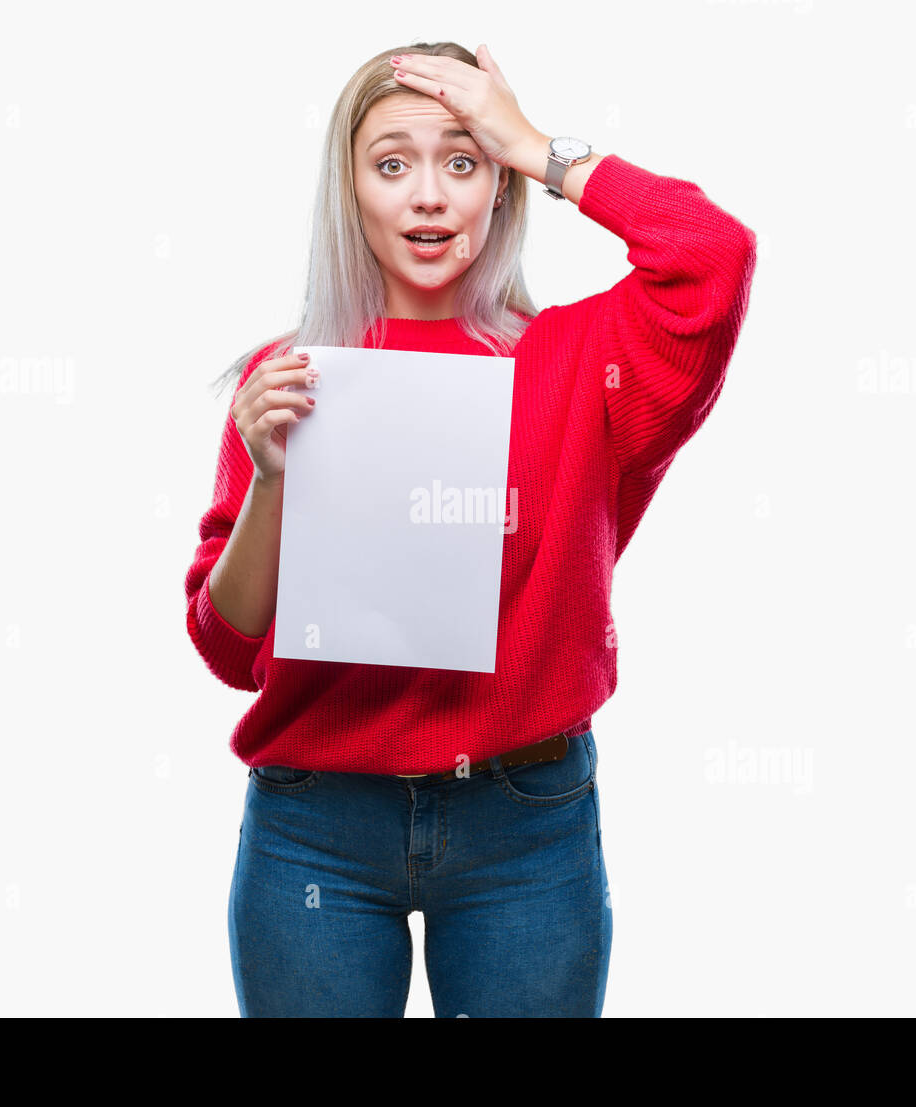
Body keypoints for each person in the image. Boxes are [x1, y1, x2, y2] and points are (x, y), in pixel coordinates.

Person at [184, 42, 757, 1017]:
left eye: (462, 160)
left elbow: (712, 256)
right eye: (391, 163)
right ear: (350, 187)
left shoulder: (582, 363)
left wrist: (539, 146)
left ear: (499, 185)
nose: (427, 199)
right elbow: (228, 649)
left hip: (522, 825)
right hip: (315, 824)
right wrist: (277, 482)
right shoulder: (287, 382)